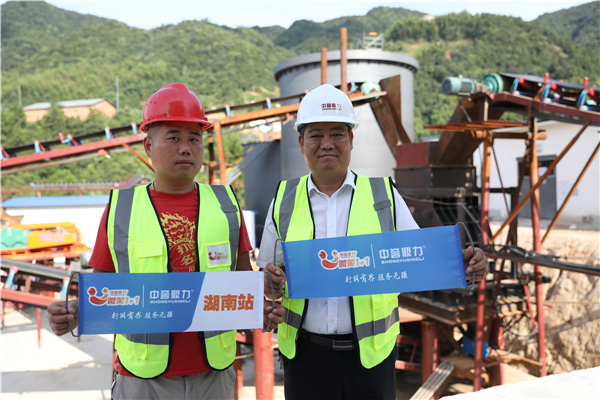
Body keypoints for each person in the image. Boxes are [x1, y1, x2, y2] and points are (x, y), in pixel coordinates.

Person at [259, 83, 489, 400]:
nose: (327, 144)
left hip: (371, 360)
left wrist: (466, 264)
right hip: (306, 359)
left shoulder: (384, 196)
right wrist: (268, 284)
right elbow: (267, 277)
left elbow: (421, 260)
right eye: (316, 135)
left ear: (351, 140)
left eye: (337, 133)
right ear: (301, 143)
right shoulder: (284, 200)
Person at [47, 83, 254, 400]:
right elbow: (102, 290)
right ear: (148, 145)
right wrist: (76, 310)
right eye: (173, 138)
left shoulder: (226, 204)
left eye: (194, 139)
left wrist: (266, 298)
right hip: (143, 378)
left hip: (213, 375)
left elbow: (244, 279)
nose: (185, 148)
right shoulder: (121, 210)